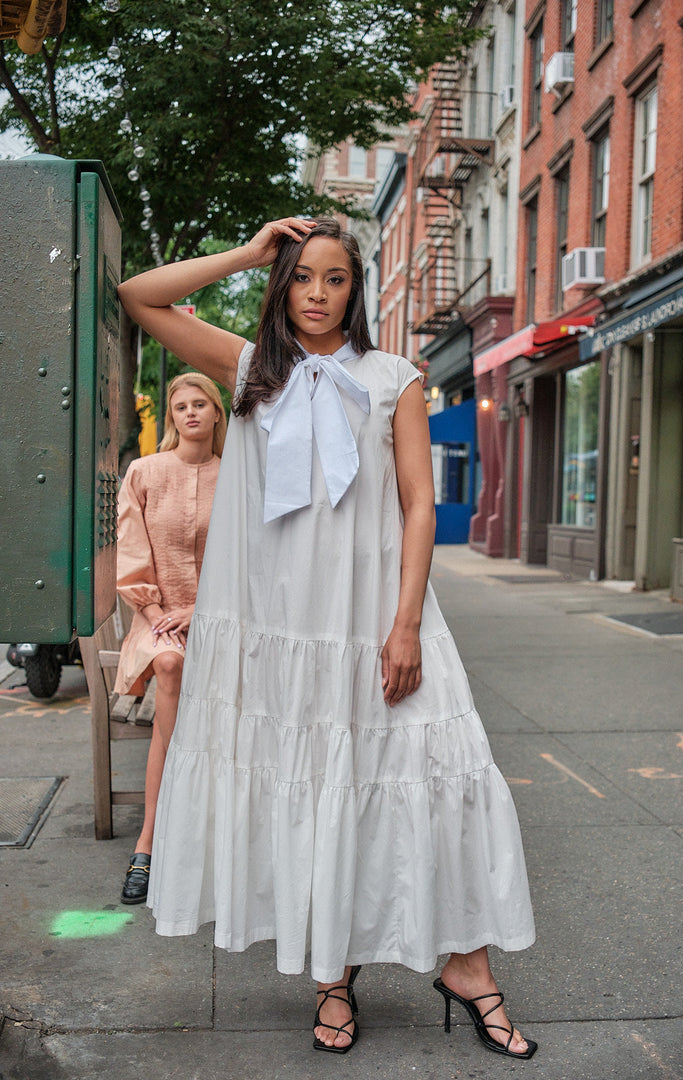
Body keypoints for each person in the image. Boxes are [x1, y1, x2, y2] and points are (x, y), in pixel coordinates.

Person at [117, 218, 537, 1058]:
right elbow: (138, 296)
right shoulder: (247, 370)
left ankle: (467, 965)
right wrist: (247, 252)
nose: (317, 293)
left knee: (438, 774)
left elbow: (420, 503)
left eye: (336, 278)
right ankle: (331, 977)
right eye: (302, 276)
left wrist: (407, 622)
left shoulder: (393, 378)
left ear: (356, 288)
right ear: (284, 284)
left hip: (377, 618)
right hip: (281, 628)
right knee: (317, 786)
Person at [114, 372, 226, 905]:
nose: (189, 413)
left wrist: (202, 612)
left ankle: (221, 843)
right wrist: (163, 613)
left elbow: (252, 567)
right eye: (180, 405)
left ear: (217, 413)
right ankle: (149, 843)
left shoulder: (237, 478)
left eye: (200, 404)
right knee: (171, 666)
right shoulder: (144, 471)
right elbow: (132, 556)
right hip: (156, 622)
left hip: (224, 620)